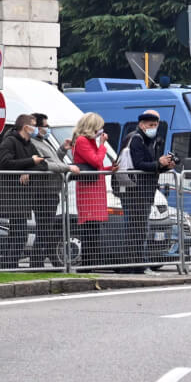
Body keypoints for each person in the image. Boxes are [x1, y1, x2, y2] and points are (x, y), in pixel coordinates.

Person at [119, 109, 176, 271]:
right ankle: (133, 265)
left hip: (145, 190)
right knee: (136, 229)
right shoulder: (136, 139)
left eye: (156, 125)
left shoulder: (151, 140)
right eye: (151, 125)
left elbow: (151, 167)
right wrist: (159, 163)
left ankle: (137, 263)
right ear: (142, 125)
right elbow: (139, 164)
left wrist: (164, 166)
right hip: (135, 190)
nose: (154, 128)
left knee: (140, 228)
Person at [0, 114, 46, 268]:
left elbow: (42, 164)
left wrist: (27, 170)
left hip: (24, 196)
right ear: (25, 127)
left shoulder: (29, 144)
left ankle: (9, 266)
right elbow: (4, 163)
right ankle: (10, 266)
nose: (36, 128)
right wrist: (30, 162)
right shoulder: (9, 141)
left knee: (17, 235)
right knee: (19, 235)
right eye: (34, 125)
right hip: (13, 195)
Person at [30, 113, 81, 267]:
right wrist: (67, 168)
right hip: (43, 191)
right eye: (45, 126)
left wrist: (62, 150)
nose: (48, 128)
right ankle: (36, 263)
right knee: (44, 228)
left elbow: (54, 161)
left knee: (46, 228)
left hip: (51, 191)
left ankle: (39, 262)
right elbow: (45, 165)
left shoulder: (43, 142)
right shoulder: (34, 144)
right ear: (37, 127)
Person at [68, 113, 111, 268]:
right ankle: (87, 263)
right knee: (89, 227)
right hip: (88, 190)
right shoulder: (82, 141)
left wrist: (110, 169)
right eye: (99, 127)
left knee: (94, 227)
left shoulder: (89, 141)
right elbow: (96, 160)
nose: (101, 131)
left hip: (95, 188)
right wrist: (102, 145)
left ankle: (93, 262)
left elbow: (96, 166)